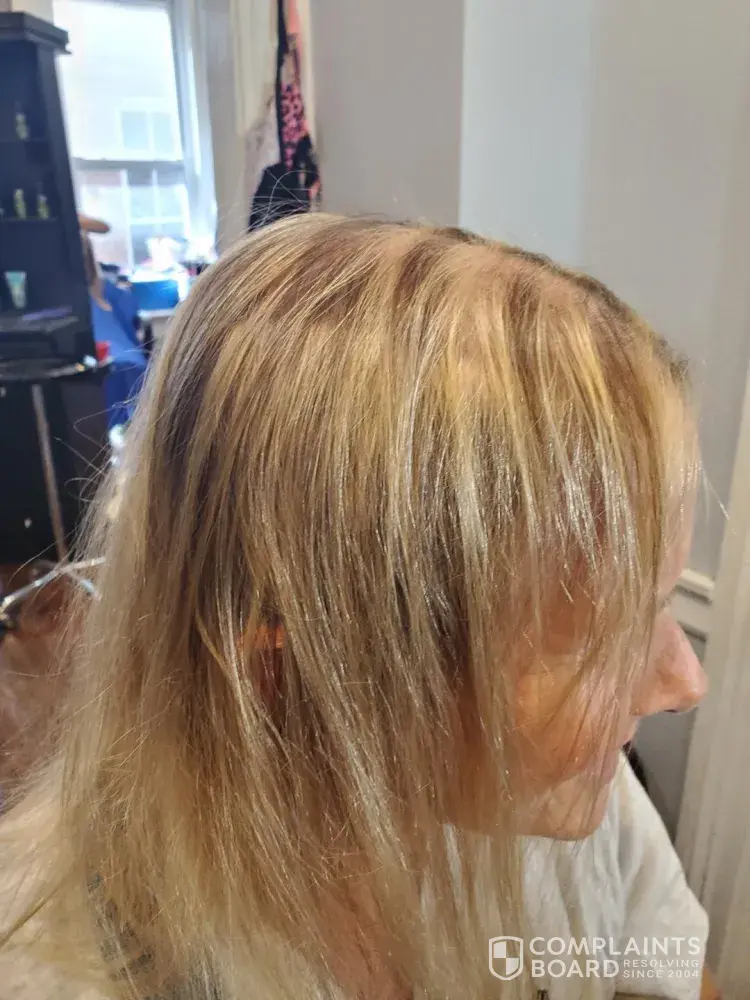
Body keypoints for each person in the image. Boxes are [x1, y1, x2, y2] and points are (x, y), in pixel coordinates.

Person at [0, 216, 717, 1000]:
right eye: (603, 636)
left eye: (658, 606)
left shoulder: (575, 796)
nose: (686, 683)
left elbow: (668, 975)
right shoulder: (52, 970)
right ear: (288, 677)